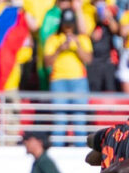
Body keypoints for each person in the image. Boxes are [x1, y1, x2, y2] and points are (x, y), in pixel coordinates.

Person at [44, 9, 92, 144]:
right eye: (66, 24)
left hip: (79, 81)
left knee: (79, 120)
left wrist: (77, 47)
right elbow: (47, 62)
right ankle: (57, 150)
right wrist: (60, 49)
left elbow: (88, 59)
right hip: (58, 81)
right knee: (59, 120)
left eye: (70, 24)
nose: (68, 27)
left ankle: (81, 151)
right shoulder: (53, 39)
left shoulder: (82, 38)